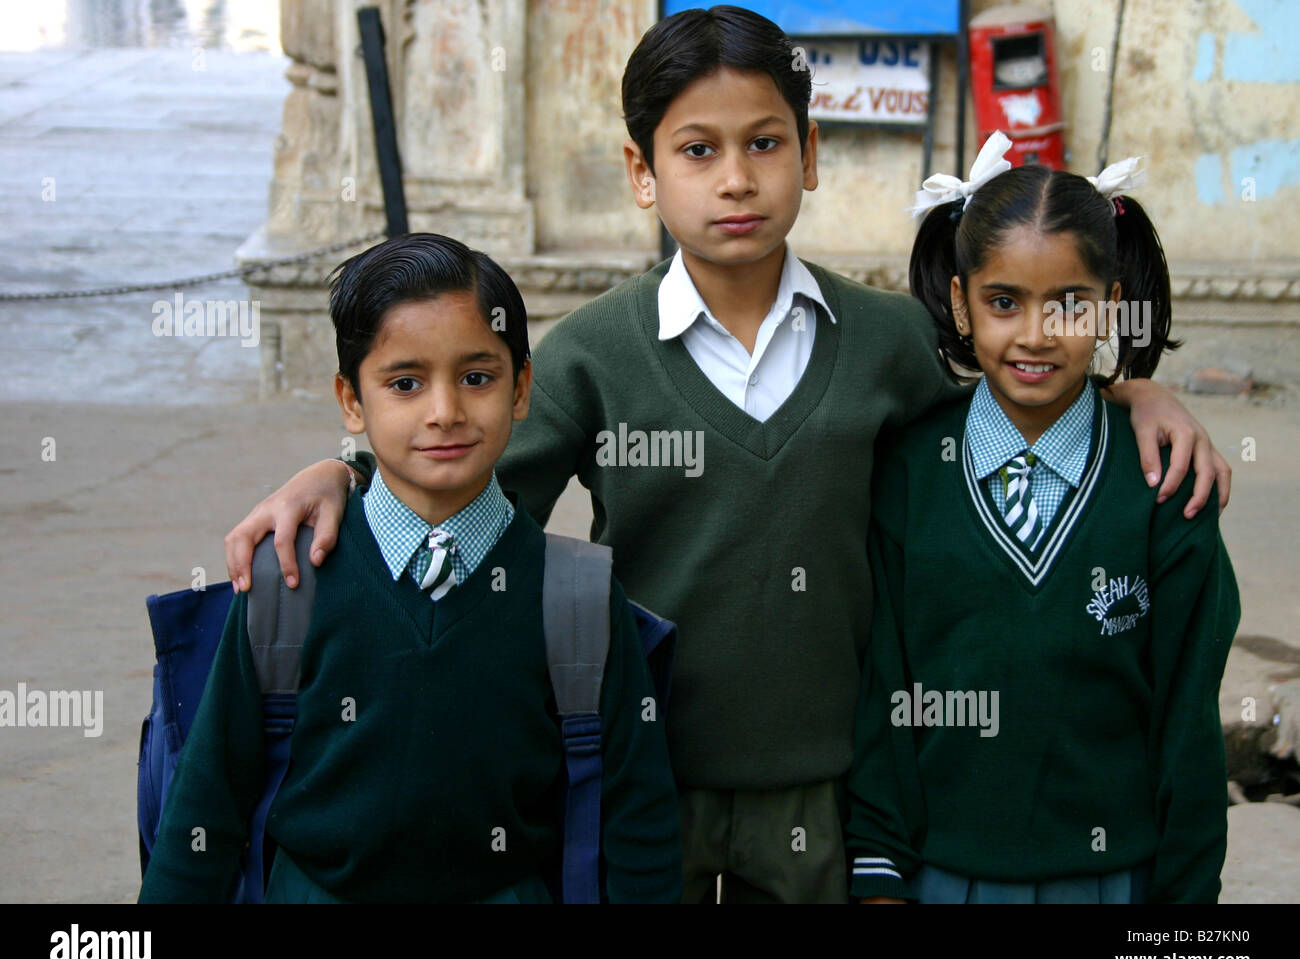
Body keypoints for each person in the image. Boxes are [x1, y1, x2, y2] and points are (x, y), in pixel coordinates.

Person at [223, 7, 1230, 904]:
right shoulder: (591, 355)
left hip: (825, 794)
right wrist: (341, 472)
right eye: (696, 150)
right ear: (640, 171)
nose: (736, 179)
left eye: (764, 143)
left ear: (812, 151)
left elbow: (1016, 401)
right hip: (641, 773)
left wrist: (1132, 391)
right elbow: (458, 478)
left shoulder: (885, 341)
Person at [140, 233, 681, 903]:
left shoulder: (575, 597)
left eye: (477, 377)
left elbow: (641, 822)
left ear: (521, 387)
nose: (445, 411)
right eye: (404, 383)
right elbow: (206, 807)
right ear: (351, 401)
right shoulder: (289, 585)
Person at [846, 138, 1239, 904]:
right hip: (939, 881)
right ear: (961, 304)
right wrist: (881, 873)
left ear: (1111, 305)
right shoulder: (907, 473)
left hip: (1114, 883)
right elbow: (883, 699)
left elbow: (1189, 725)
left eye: (1069, 304)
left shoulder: (1166, 487)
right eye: (1003, 302)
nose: (1034, 334)